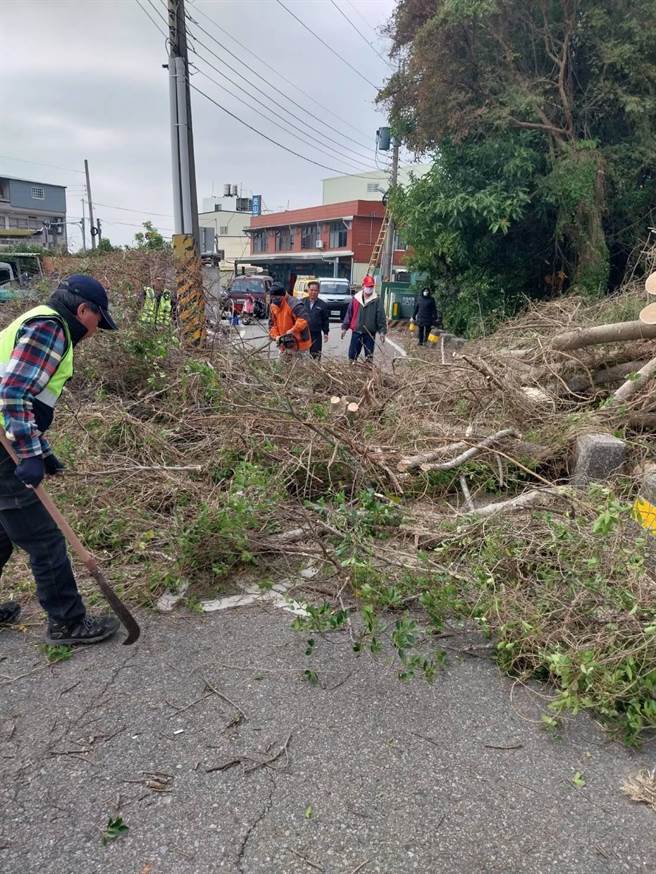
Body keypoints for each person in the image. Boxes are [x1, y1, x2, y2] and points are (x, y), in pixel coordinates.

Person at [0, 274, 121, 645]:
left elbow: (23, 402)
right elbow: (14, 393)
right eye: (97, 320)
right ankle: (67, 622)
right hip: (3, 447)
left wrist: (44, 453)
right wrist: (29, 455)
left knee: (3, 533)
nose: (96, 331)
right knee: (45, 538)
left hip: (6, 439)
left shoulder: (37, 319)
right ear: (83, 310)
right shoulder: (51, 328)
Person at [341, 274, 387, 362]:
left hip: (370, 334)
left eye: (371, 286)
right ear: (363, 286)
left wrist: (382, 332)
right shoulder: (356, 299)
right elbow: (349, 314)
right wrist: (344, 328)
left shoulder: (377, 300)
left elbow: (381, 317)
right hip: (356, 332)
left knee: (369, 357)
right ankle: (351, 371)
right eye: (368, 286)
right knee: (352, 356)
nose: (369, 288)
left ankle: (368, 373)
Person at [268, 282, 312, 361]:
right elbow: (272, 325)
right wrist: (276, 336)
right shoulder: (273, 306)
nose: (274, 299)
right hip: (284, 344)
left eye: (276, 297)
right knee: (281, 369)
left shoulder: (294, 304)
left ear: (283, 295)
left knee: (300, 370)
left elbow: (303, 320)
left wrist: (293, 330)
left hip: (300, 345)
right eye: (272, 297)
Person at [305, 280, 329, 359]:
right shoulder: (302, 302)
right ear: (308, 290)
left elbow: (325, 320)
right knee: (302, 355)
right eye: (311, 290)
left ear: (318, 291)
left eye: (315, 290)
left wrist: (326, 333)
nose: (313, 292)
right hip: (303, 333)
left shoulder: (323, 305)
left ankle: (314, 370)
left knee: (315, 355)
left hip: (316, 334)